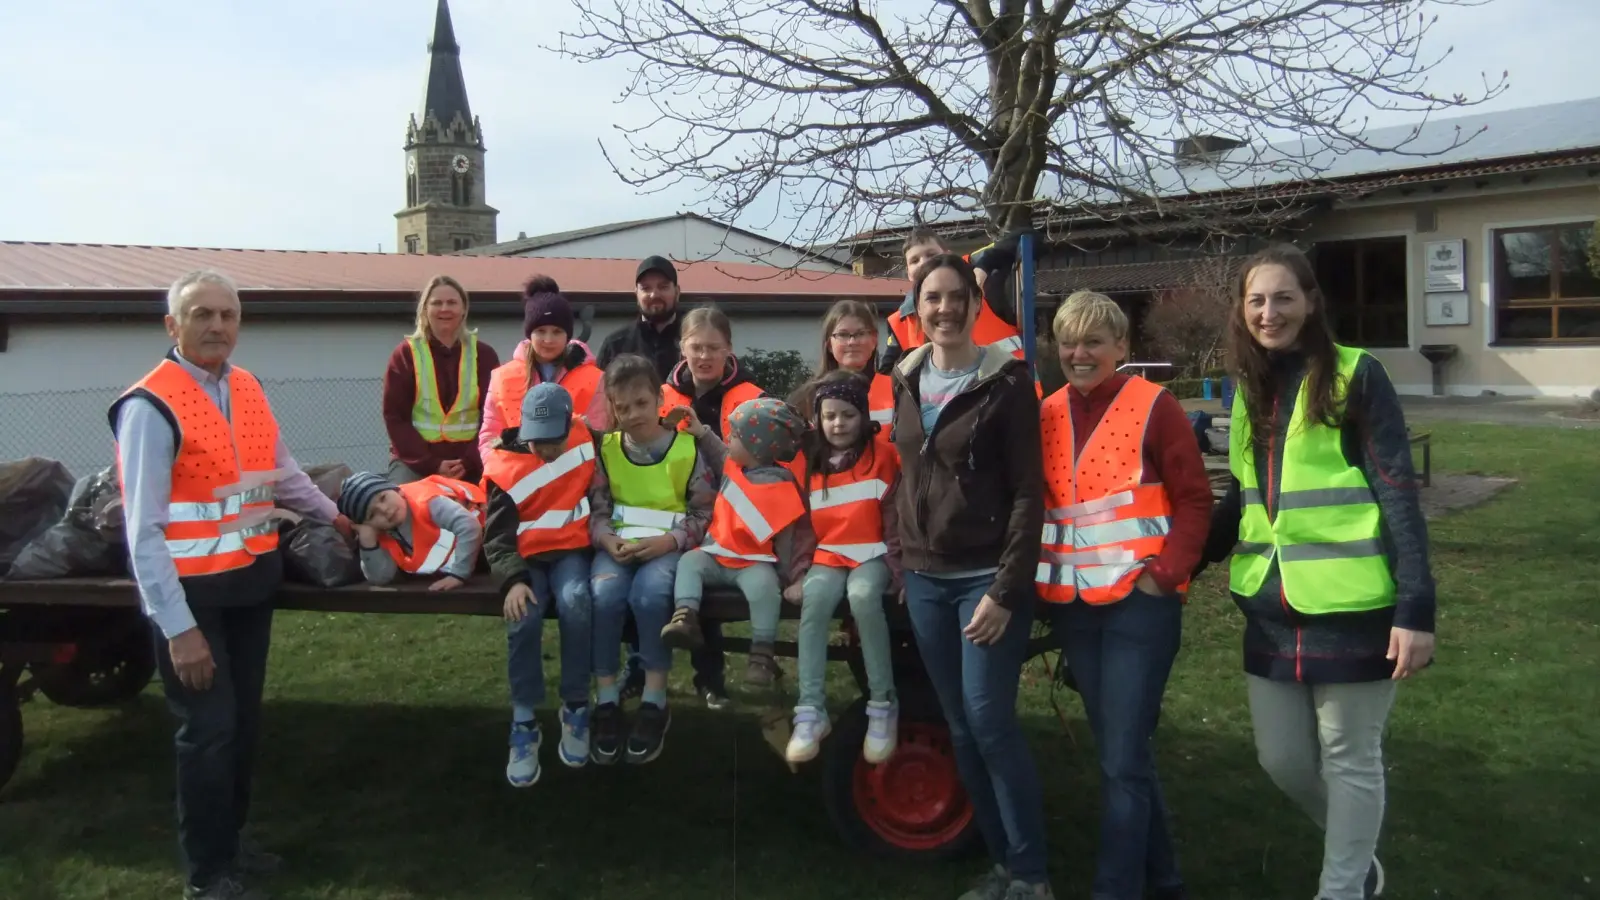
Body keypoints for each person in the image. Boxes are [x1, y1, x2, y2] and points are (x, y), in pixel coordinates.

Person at [1201, 244, 1436, 900]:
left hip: (1354, 605)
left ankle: (1342, 888)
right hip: (1271, 610)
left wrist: (1416, 607)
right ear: (1241, 311)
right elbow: (1243, 496)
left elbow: (1397, 488)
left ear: (1310, 301)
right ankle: (1354, 854)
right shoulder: (1248, 388)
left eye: (1283, 298)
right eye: (1256, 300)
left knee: (1349, 759)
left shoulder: (1357, 375)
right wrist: (1182, 561)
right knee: (1282, 760)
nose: (1269, 312)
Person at [111, 269, 349, 900]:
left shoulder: (244, 387)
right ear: (173, 325)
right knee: (207, 734)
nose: (217, 326)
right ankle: (207, 873)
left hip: (249, 584)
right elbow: (145, 533)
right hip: (192, 603)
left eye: (227, 315)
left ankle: (232, 843)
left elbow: (282, 470)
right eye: (201, 314)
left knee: (241, 726)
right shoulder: (149, 406)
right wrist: (179, 631)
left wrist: (338, 517)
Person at [1036, 291, 1213, 900]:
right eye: (1068, 341)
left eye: (1093, 342)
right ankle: (1166, 882)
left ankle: (1115, 890)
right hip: (1076, 608)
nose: (1079, 354)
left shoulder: (1154, 406)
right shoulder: (1047, 411)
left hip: (1140, 605)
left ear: (1121, 348)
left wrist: (1163, 576)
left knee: (1120, 757)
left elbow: (1194, 500)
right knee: (1124, 753)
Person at [889, 253, 1053, 900]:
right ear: (917, 306)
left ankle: (1032, 870)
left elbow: (1027, 494)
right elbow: (906, 472)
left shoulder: (1007, 382)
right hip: (926, 579)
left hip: (985, 578)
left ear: (974, 304)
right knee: (958, 724)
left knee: (989, 719)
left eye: (957, 297)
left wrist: (1007, 589)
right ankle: (1002, 864)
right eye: (932, 298)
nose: (945, 309)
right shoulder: (904, 376)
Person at [586, 354, 726, 765]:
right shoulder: (607, 450)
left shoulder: (686, 450)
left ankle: (654, 698)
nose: (632, 415)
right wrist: (605, 538)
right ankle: (607, 699)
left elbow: (705, 513)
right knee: (606, 597)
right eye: (622, 407)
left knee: (650, 599)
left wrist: (671, 541)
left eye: (641, 404)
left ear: (659, 398)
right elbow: (597, 508)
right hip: (618, 549)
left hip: (667, 551)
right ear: (611, 406)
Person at [481, 383, 599, 785]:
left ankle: (576, 705)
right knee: (523, 617)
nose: (546, 449)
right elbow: (495, 537)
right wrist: (512, 580)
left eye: (554, 439)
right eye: (538, 440)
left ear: (570, 424)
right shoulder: (502, 467)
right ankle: (524, 721)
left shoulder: (587, 438)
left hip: (571, 552)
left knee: (577, 603)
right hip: (526, 562)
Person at [785, 370, 901, 765]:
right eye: (830, 415)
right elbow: (803, 525)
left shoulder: (882, 457)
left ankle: (882, 705)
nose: (838, 423)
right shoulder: (811, 463)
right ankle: (810, 709)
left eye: (848, 415)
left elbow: (894, 518)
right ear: (818, 419)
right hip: (829, 555)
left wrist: (900, 572)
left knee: (864, 596)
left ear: (863, 417)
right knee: (815, 600)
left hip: (872, 553)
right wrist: (799, 572)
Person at [652, 304, 765, 707]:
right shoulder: (662, 395)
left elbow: (758, 467)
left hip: (732, 515)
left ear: (729, 349)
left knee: (708, 596)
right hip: (667, 508)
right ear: (682, 347)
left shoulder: (751, 398)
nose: (703, 357)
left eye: (713, 348)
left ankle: (710, 679)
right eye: (696, 347)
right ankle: (644, 676)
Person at [661, 397, 813, 686]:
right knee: (690, 562)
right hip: (715, 554)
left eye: (736, 435)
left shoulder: (783, 484)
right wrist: (701, 431)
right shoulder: (733, 465)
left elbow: (793, 535)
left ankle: (762, 652)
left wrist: (791, 576)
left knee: (765, 590)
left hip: (756, 563)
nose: (728, 439)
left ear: (758, 447)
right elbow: (718, 451)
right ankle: (685, 616)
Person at [381, 275, 500, 485]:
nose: (445, 308)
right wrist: (432, 464)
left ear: (464, 309)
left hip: (474, 461)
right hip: (415, 463)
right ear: (425, 309)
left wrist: (469, 461)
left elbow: (493, 415)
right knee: (400, 510)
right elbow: (395, 418)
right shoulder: (404, 355)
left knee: (497, 507)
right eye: (437, 303)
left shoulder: (485, 356)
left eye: (452, 302)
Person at [478, 276, 608, 467]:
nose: (548, 339)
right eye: (540, 331)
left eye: (557, 331)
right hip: (517, 481)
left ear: (568, 335)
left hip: (573, 479)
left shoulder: (594, 378)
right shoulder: (502, 377)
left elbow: (600, 436)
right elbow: (489, 437)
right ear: (529, 333)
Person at [880, 226, 1028, 374]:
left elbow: (1025, 235)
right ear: (908, 273)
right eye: (914, 260)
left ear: (949, 256)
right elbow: (886, 377)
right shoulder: (899, 323)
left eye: (931, 254)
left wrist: (984, 267)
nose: (924, 263)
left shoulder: (983, 285)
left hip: (1010, 391)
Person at [340, 472, 484, 592]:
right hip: (468, 561)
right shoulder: (384, 531)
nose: (384, 510)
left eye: (383, 498)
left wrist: (459, 575)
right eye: (372, 514)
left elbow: (469, 525)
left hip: (489, 542)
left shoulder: (428, 501)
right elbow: (381, 578)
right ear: (369, 524)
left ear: (397, 490)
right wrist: (368, 541)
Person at [809, 299, 896, 427]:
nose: (852, 342)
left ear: (874, 340)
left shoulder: (895, 390)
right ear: (829, 345)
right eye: (843, 335)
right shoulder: (809, 396)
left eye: (860, 334)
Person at [595, 255, 684, 378]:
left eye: (663, 287)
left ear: (677, 292)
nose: (654, 295)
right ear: (636, 294)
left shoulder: (696, 343)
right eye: (646, 288)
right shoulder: (615, 345)